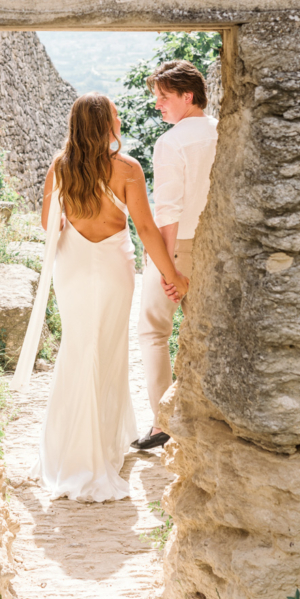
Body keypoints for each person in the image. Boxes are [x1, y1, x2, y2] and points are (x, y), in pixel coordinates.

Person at [35, 93, 188, 503]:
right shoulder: (126, 168)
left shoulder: (59, 166)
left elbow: (48, 223)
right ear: (105, 124)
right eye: (116, 116)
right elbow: (146, 228)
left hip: (72, 266)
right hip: (113, 267)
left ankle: (70, 452)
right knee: (108, 349)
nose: (119, 121)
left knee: (77, 348)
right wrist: (172, 275)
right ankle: (99, 449)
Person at [133, 60, 218, 451]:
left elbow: (167, 209)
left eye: (164, 98)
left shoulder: (171, 142)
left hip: (178, 245)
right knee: (206, 331)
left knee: (153, 332)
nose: (158, 105)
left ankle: (162, 422)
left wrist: (166, 267)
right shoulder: (223, 131)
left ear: (188, 96)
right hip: (217, 244)